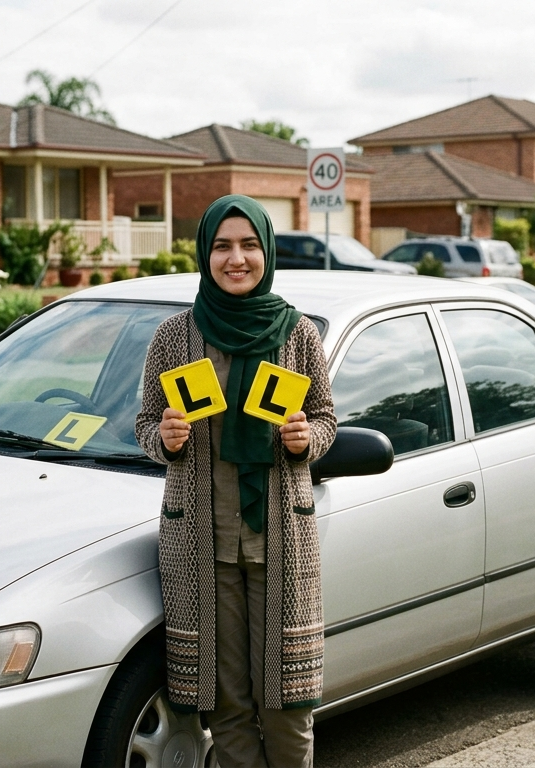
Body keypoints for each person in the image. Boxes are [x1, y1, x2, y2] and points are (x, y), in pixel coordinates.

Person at [135, 194, 336, 767]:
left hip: (281, 545)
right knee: (225, 708)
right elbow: (146, 424)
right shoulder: (174, 337)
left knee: (288, 705)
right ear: (205, 253)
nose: (236, 258)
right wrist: (165, 438)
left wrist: (308, 440)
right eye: (222, 246)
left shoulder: (296, 335)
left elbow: (325, 418)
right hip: (203, 546)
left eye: (249, 245)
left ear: (267, 252)